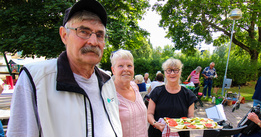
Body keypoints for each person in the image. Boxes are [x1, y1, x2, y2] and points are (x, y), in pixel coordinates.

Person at [7, 0, 122, 136]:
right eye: (83, 31)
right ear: (64, 35)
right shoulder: (36, 79)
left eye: (99, 35)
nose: (93, 41)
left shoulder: (107, 81)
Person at [147, 58, 197, 137]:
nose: (172, 73)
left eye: (176, 70)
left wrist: (190, 123)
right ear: (165, 72)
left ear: (180, 72)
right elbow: (149, 114)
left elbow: (190, 117)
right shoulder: (157, 91)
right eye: (169, 70)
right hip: (157, 133)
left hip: (181, 134)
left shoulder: (188, 94)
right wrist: (155, 124)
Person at [111, 49, 148, 137]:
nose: (126, 69)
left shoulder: (134, 86)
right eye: (120, 66)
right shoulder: (109, 93)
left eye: (129, 66)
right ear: (113, 70)